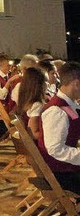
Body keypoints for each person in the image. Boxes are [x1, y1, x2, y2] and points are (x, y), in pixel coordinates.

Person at [37, 61, 80, 195]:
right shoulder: (56, 110)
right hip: (62, 174)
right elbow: (55, 149)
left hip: (68, 168)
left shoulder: (68, 104)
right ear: (77, 84)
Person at [15, 67, 47, 140]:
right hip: (39, 147)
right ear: (39, 85)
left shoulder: (26, 102)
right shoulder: (37, 105)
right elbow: (33, 134)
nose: (47, 84)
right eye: (45, 82)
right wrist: (53, 133)